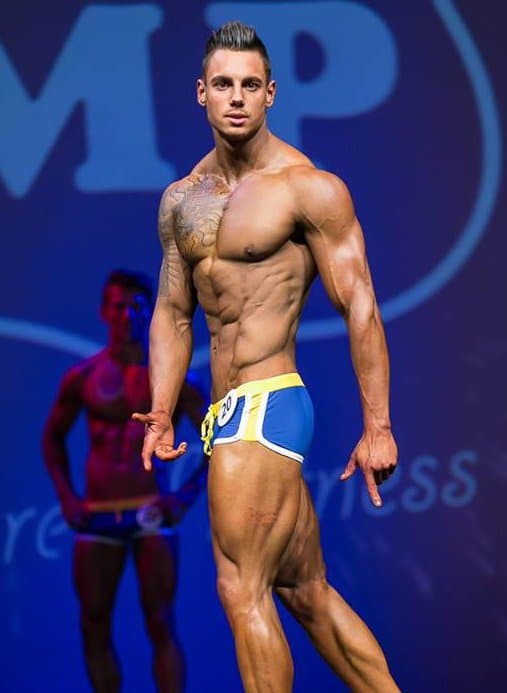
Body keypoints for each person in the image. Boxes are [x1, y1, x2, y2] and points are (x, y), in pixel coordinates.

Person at [133, 21, 400, 693]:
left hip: (267, 400)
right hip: (226, 414)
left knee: (239, 587)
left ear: (271, 93)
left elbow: (360, 304)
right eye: (223, 84)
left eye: (250, 85)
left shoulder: (306, 188)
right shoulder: (182, 200)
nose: (237, 98)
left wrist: (378, 425)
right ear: (201, 92)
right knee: (304, 590)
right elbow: (172, 312)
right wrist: (161, 409)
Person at [42, 269, 207, 693]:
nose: (125, 315)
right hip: (97, 514)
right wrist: (67, 497)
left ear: (148, 312)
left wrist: (186, 495)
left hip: (150, 510)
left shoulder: (172, 378)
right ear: (103, 311)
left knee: (160, 621)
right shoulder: (83, 377)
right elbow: (52, 437)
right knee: (93, 624)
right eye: (117, 306)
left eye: (135, 306)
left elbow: (217, 436)